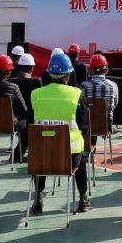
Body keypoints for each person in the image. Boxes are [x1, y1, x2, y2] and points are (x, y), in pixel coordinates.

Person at [29, 53, 91, 214]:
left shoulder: (36, 94)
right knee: (82, 159)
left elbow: (31, 123)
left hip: (41, 157)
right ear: (69, 75)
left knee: (43, 155)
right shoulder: (77, 94)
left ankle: (38, 198)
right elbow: (84, 127)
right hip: (69, 158)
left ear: (50, 74)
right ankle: (83, 200)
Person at [79, 53, 119, 154]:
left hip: (87, 126)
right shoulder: (113, 85)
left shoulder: (84, 86)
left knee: (88, 114)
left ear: (91, 70)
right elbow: (114, 104)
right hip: (106, 126)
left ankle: (88, 151)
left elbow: (82, 106)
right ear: (106, 69)